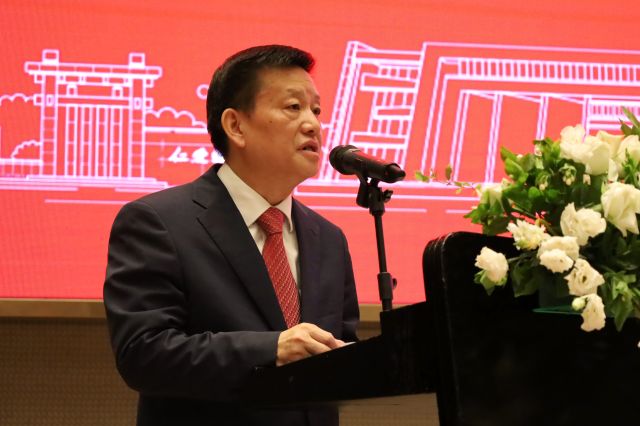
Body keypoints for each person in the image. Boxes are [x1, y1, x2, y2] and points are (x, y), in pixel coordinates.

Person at [103, 45, 360, 426]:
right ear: (236, 126)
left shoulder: (329, 239)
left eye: (316, 110)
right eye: (293, 107)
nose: (313, 125)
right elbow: (143, 354)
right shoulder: (158, 223)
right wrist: (271, 348)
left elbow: (341, 356)